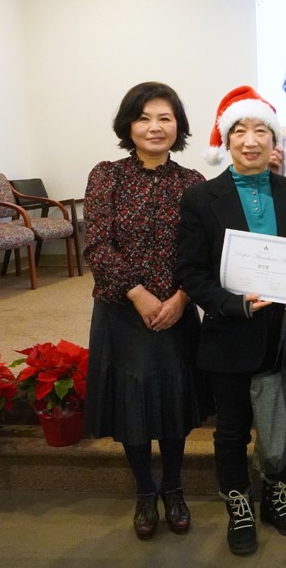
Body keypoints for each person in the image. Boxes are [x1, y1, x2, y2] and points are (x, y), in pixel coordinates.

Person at [177, 86, 286, 556]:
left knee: (282, 419)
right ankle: (239, 506)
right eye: (239, 131)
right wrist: (230, 304)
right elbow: (191, 271)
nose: (251, 140)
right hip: (230, 331)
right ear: (226, 139)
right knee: (233, 428)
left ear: (274, 140)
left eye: (261, 130)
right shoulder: (201, 198)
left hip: (285, 331)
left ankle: (278, 497)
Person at [84, 81, 205, 541]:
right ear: (128, 125)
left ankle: (174, 487)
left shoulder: (193, 183)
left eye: (165, 118)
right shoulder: (106, 175)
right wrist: (138, 293)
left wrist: (181, 298)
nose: (155, 127)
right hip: (122, 309)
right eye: (144, 118)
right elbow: (97, 243)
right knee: (132, 406)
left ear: (178, 126)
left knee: (173, 404)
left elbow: (203, 251)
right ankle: (144, 491)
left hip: (176, 309)